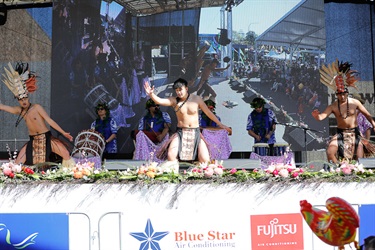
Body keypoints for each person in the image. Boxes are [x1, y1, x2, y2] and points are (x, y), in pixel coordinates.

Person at [0, 62, 75, 168]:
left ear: (28, 97)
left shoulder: (37, 107)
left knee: (66, 154)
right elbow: (3, 107)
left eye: (25, 98)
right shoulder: (19, 110)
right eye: (21, 100)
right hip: (33, 140)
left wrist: (63, 133)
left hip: (46, 138)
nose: (24, 102)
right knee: (17, 163)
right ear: (18, 101)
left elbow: (50, 121)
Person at [144, 77, 232, 163]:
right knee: (171, 155)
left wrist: (221, 125)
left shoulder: (196, 99)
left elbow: (209, 113)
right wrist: (151, 94)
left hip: (196, 132)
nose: (178, 92)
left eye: (180, 89)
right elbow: (160, 101)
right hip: (180, 132)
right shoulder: (174, 101)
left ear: (186, 88)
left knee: (205, 160)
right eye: (176, 90)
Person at [312, 60, 375, 163]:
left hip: (355, 133)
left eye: (344, 93)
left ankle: (357, 171)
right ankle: (339, 169)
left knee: (360, 159)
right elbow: (322, 116)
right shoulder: (333, 106)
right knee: (330, 151)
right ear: (336, 94)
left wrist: (373, 123)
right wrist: (316, 116)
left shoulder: (355, 102)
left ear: (347, 93)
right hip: (341, 133)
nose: (342, 96)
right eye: (339, 94)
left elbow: (367, 115)